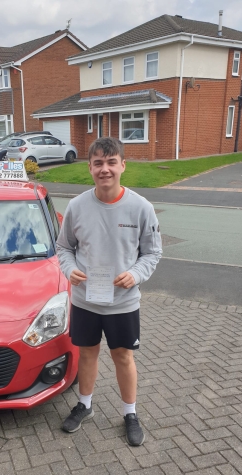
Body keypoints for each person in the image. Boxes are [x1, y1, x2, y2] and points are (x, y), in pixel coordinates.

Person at [56, 137, 162, 446]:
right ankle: (85, 405)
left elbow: (152, 254)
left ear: (122, 166)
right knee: (87, 355)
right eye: (98, 163)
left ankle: (130, 413)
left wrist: (135, 274)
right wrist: (68, 268)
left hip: (122, 303)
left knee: (123, 357)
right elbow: (64, 248)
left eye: (111, 162)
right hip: (86, 301)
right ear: (89, 168)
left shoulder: (141, 207)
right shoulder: (77, 206)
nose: (105, 169)